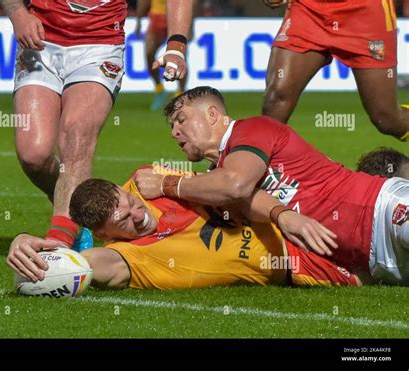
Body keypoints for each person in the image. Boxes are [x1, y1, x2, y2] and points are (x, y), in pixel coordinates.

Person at [134, 86, 409, 284]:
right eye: (172, 126)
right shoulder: (216, 176)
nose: (174, 132)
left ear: (213, 115)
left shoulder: (252, 129)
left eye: (181, 120)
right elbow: (246, 199)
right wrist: (282, 214)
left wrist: (166, 184)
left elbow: (236, 185)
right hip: (377, 262)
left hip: (380, 209)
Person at [0, 0, 194, 250]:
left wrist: (176, 45)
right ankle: (73, 207)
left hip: (100, 45)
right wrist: (18, 13)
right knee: (33, 155)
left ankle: (60, 241)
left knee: (77, 131)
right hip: (40, 42)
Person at [8, 175, 361, 289]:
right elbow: (84, 266)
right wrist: (27, 247)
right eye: (125, 222)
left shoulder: (149, 181)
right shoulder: (130, 257)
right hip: (300, 265)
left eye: (130, 202)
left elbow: (224, 183)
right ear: (107, 235)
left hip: (294, 211)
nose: (138, 215)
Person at [262, 0, 409, 141]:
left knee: (386, 119)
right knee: (277, 96)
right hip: (308, 10)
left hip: (367, 13)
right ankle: (259, 164)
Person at [135, 0, 197, 111]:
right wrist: (138, 20)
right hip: (157, 16)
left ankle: (180, 94)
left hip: (177, 16)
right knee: (148, 53)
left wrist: (191, 25)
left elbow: (192, 2)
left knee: (180, 57)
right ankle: (160, 89)